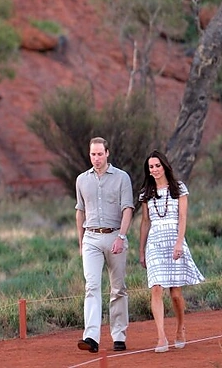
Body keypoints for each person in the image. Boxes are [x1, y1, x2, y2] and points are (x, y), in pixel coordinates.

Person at [139, 149, 204, 352]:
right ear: (148, 170)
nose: (155, 169)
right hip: (155, 242)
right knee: (156, 288)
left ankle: (180, 327)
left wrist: (179, 243)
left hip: (174, 240)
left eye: (158, 165)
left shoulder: (179, 188)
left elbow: (183, 218)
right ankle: (161, 338)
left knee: (175, 293)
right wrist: (141, 252)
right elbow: (145, 222)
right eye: (151, 167)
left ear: (165, 166)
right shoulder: (145, 193)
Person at [75, 136, 134, 354]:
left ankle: (119, 335)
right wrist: (81, 242)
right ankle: (91, 337)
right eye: (93, 154)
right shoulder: (82, 179)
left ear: (107, 153)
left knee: (117, 288)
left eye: (100, 154)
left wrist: (122, 236)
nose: (96, 158)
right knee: (91, 286)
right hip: (90, 237)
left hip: (114, 235)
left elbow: (128, 208)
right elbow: (79, 210)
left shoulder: (121, 178)